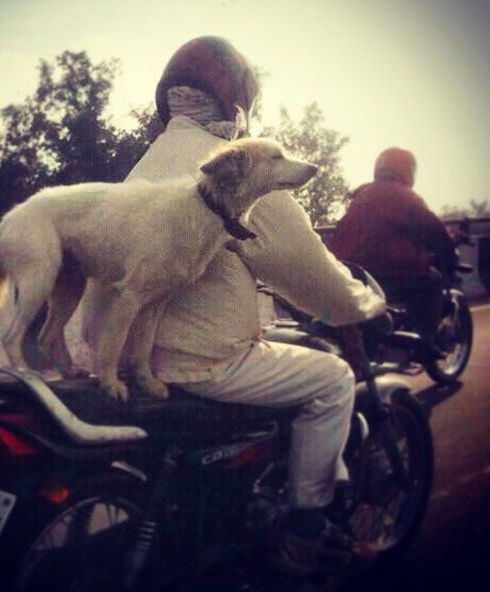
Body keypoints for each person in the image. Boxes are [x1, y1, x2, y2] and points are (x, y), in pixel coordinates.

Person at [72, 36, 386, 571]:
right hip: (195, 361)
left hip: (115, 352)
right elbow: (308, 273)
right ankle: (304, 533)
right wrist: (363, 305)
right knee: (332, 379)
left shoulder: (143, 166)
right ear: (239, 103)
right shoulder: (233, 171)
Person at [331, 147, 457, 355]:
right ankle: (426, 343)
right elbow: (434, 231)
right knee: (433, 281)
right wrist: (449, 245)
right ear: (408, 170)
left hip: (350, 272)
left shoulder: (361, 195)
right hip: (387, 273)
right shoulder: (405, 197)